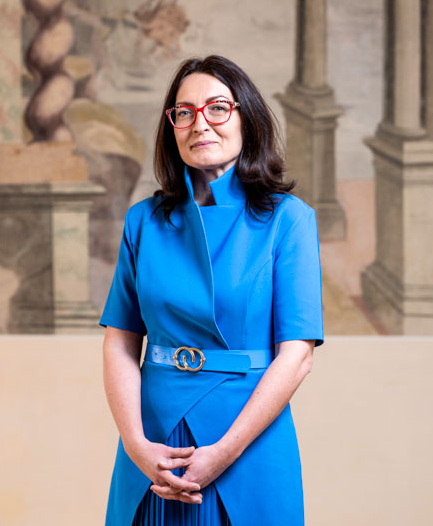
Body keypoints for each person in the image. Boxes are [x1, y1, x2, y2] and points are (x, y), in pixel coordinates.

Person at [99, 55, 325, 526]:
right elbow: (120, 343)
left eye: (218, 107)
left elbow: (297, 355)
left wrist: (223, 452)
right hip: (154, 445)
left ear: (247, 119)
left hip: (246, 440)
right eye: (184, 112)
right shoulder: (142, 221)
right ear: (172, 127)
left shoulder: (289, 219)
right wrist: (137, 446)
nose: (200, 123)